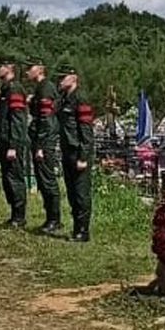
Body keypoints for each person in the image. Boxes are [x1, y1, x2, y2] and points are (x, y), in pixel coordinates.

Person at [55, 65, 95, 242]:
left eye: (63, 77)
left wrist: (83, 156)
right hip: (67, 149)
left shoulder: (80, 98)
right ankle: (76, 227)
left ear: (73, 78)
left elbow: (86, 131)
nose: (60, 81)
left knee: (81, 193)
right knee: (71, 192)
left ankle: (83, 230)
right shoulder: (64, 98)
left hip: (78, 151)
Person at [25, 57, 62, 233]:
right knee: (42, 179)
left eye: (29, 68)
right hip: (40, 138)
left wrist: (40, 145)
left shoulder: (46, 88)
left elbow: (46, 119)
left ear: (40, 69)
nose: (26, 71)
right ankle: (50, 217)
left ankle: (54, 219)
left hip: (45, 140)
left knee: (47, 180)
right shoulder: (40, 89)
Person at [0, 56, 30, 228]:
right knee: (8, 178)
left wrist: (13, 145)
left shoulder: (14, 89)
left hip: (11, 142)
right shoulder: (5, 89)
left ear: (9, 68)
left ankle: (19, 216)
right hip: (3, 140)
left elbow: (17, 120)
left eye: (0, 66)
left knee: (14, 178)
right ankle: (14, 214)